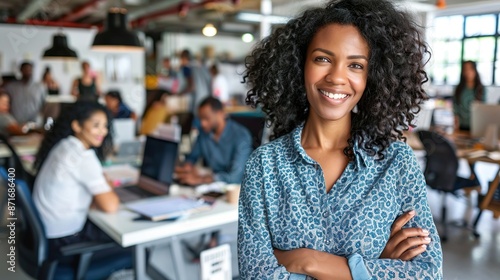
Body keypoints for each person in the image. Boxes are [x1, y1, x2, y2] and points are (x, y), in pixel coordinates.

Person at [238, 0, 443, 279]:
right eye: (322, 59)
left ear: (373, 76)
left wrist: (307, 261)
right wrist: (372, 267)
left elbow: (427, 273)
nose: (336, 77)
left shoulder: (396, 162)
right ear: (300, 65)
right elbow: (256, 274)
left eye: (356, 65)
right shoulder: (265, 166)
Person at [33, 101, 119, 258]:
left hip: (45, 237)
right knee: (134, 247)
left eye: (105, 126)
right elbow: (110, 205)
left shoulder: (65, 145)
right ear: (77, 126)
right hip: (63, 243)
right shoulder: (83, 157)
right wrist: (107, 185)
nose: (103, 131)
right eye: (96, 125)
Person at [175, 96, 252, 185]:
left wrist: (201, 179)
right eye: (200, 119)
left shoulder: (241, 136)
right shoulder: (204, 133)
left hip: (235, 190)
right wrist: (187, 167)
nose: (202, 123)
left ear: (220, 114)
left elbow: (235, 177)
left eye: (206, 118)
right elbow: (192, 157)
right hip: (213, 186)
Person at [453, 60, 486, 131]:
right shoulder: (459, 88)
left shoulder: (481, 89)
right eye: (465, 69)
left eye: (470, 69)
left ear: (475, 70)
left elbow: (484, 108)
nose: (468, 72)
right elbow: (455, 107)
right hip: (461, 125)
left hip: (477, 125)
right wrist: (456, 122)